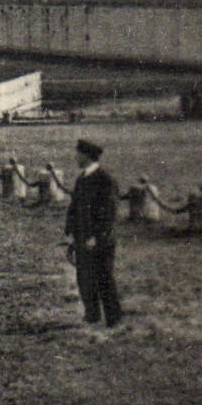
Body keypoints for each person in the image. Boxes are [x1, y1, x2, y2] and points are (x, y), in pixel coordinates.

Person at [65, 139, 122, 330]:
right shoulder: (82, 178)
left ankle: (113, 318)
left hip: (101, 240)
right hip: (82, 237)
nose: (75, 157)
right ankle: (92, 315)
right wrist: (69, 232)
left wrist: (96, 237)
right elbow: (74, 208)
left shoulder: (105, 179)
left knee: (104, 277)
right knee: (84, 278)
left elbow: (109, 212)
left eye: (78, 154)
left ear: (86, 156)